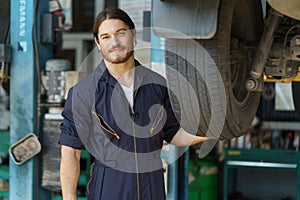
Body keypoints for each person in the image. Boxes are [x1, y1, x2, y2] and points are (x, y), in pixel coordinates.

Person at [59, 7, 208, 200]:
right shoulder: (83, 93)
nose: (115, 42)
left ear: (133, 35)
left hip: (152, 187)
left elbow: (174, 133)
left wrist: (212, 131)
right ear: (97, 42)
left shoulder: (157, 85)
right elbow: (71, 152)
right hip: (109, 188)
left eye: (121, 33)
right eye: (106, 37)